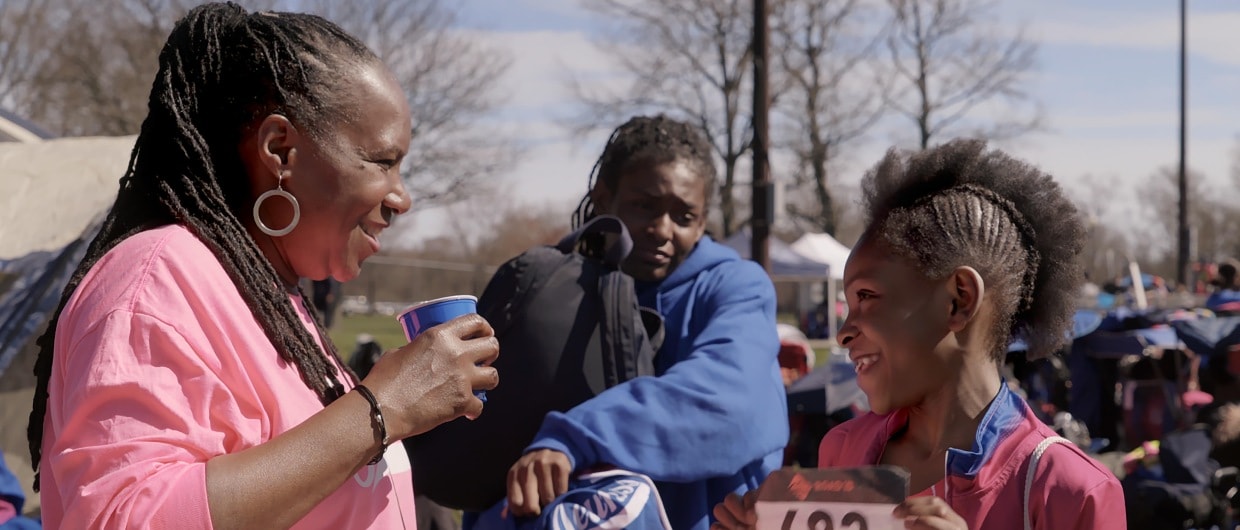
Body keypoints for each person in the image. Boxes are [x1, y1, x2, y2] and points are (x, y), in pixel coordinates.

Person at [26, 4, 499, 529]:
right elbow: (124, 517)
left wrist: (401, 406)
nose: (401, 198)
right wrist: (382, 408)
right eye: (382, 162)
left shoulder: (270, 294)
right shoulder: (156, 277)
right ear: (280, 149)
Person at [712, 140, 1125, 530]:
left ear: (959, 299)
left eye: (867, 297)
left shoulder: (1070, 489)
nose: (843, 334)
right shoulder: (842, 448)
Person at [499, 115, 788, 530]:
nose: (662, 230)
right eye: (645, 206)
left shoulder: (737, 287)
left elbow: (727, 401)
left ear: (703, 221)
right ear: (602, 199)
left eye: (684, 216)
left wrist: (575, 437)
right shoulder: (561, 289)